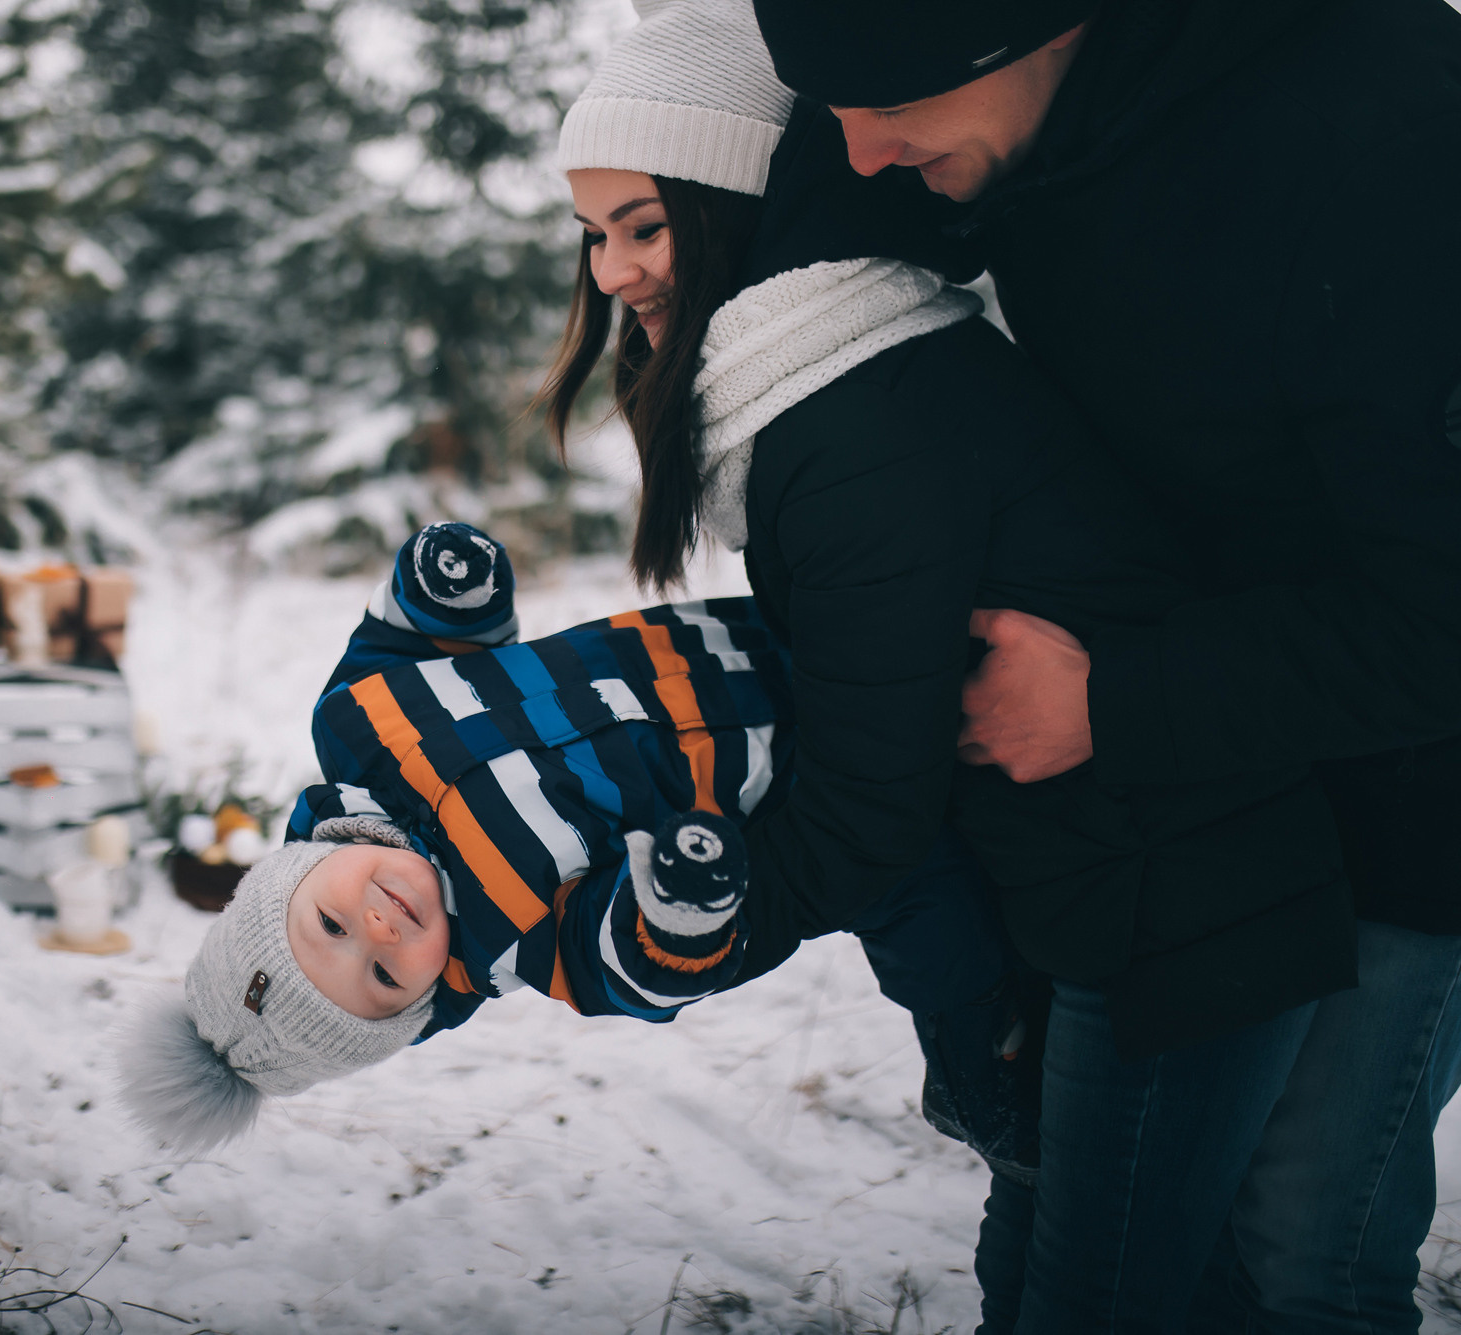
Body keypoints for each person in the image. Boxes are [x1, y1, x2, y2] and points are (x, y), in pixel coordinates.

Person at [546, 0, 1358, 1329]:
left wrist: (678, 933)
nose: (613, 271)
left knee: (1093, 1302)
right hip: (1108, 898)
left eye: (643, 225)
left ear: (740, 202)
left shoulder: (856, 417)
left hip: (1178, 915)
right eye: (591, 234)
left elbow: (867, 803)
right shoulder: (824, 379)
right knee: (1077, 1286)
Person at [749, 0, 1461, 1328]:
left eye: (885, 105)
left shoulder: (1387, 142)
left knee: (1299, 1241)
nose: (859, 154)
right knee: (1172, 1243)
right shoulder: (980, 106)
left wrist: (1115, 700)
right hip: (1211, 776)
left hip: (1414, 789)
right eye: (827, 108)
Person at [117, 521, 1035, 1166]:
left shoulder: (357, 727)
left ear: (293, 871)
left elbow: (412, 644)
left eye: (329, 924)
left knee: (912, 631)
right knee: (927, 908)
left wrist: (442, 593)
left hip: (736, 646)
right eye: (384, 977)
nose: (379, 930)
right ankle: (983, 1065)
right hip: (810, 777)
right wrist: (673, 910)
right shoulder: (519, 938)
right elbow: (632, 966)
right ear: (417, 1007)